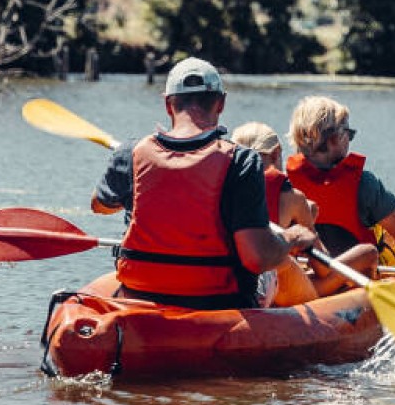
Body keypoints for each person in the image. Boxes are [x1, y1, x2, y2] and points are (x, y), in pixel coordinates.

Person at [89, 58, 317, 310]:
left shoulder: (130, 153)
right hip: (218, 303)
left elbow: (99, 206)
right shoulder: (241, 161)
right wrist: (292, 238)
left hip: (139, 297)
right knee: (279, 265)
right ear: (221, 103)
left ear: (168, 104)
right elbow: (257, 258)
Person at [286, 96, 395, 270]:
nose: (350, 140)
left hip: (307, 281)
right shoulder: (364, 185)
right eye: (349, 134)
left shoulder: (285, 185)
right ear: (334, 139)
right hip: (357, 281)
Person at [231, 121, 376, 299]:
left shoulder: (224, 190)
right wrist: (307, 220)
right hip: (278, 292)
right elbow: (323, 269)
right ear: (276, 153)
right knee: (368, 252)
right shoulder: (292, 198)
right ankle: (359, 303)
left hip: (235, 283)